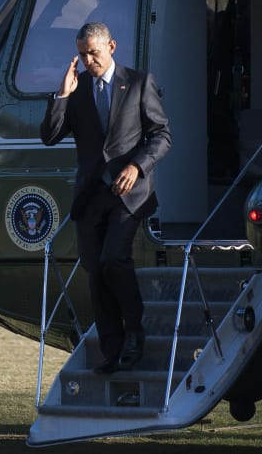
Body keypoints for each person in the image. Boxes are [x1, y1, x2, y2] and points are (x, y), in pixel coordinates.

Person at [40, 22, 171, 374]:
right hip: (91, 196)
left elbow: (161, 135)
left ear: (112, 46)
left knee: (114, 259)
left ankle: (135, 335)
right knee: (95, 272)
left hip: (129, 194)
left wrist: (137, 166)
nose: (88, 60)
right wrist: (62, 95)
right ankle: (112, 351)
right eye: (82, 54)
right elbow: (49, 136)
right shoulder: (77, 88)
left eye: (94, 53)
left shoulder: (140, 83)